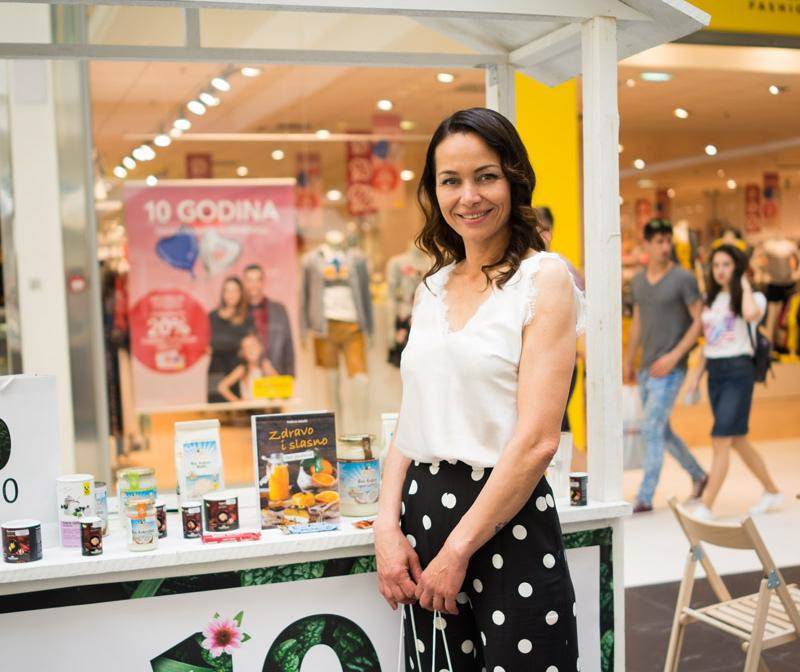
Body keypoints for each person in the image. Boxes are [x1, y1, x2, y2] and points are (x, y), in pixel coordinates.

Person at [375, 108, 584, 672]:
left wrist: (458, 550)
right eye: (451, 181)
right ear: (434, 191)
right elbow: (410, 422)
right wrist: (386, 528)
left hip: (505, 519)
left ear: (514, 180)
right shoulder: (432, 287)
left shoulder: (543, 279)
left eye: (485, 176)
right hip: (422, 521)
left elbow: (538, 441)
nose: (469, 196)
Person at [685, 245, 783, 519]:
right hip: (715, 373)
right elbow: (709, 343)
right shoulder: (711, 299)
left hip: (739, 372)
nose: (720, 270)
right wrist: (695, 377)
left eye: (727, 265)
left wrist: (743, 284)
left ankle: (706, 505)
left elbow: (751, 315)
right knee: (737, 439)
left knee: (720, 438)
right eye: (716, 265)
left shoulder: (753, 298)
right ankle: (772, 490)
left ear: (737, 267)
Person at [624, 218, 708, 513]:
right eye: (658, 241)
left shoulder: (683, 278)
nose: (664, 246)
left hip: (671, 369)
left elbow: (700, 321)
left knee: (651, 427)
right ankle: (699, 475)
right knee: (662, 430)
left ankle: (645, 496)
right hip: (647, 368)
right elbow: (638, 321)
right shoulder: (638, 282)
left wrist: (675, 356)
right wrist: (629, 360)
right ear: (646, 244)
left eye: (667, 241)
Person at [242, 263, 296, 377]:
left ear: (263, 282)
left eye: (257, 280)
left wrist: (290, 375)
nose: (253, 285)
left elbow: (288, 344)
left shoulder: (279, 310)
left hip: (276, 373)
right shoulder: (239, 312)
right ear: (244, 283)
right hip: (247, 376)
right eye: (249, 280)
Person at [207, 277, 253, 402]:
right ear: (223, 293)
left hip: (237, 372)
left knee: (238, 409)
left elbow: (250, 349)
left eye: (235, 291)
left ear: (241, 293)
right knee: (216, 407)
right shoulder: (212, 317)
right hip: (215, 370)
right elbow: (205, 344)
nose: (231, 295)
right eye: (227, 290)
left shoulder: (246, 319)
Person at [216, 332, 277, 401]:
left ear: (260, 347)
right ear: (243, 352)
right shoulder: (242, 369)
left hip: (266, 406)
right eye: (246, 348)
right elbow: (222, 387)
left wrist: (270, 371)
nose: (250, 350)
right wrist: (237, 402)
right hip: (250, 407)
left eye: (253, 346)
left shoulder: (266, 366)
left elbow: (280, 388)